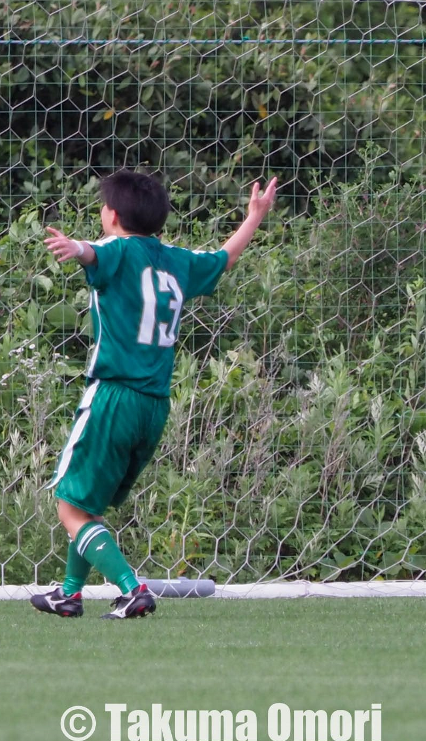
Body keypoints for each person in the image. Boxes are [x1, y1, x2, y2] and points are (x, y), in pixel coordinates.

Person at [33, 169, 278, 619]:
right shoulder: (177, 260)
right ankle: (69, 593)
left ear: (111, 215)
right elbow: (223, 259)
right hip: (154, 405)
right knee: (88, 503)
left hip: (113, 396)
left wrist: (76, 248)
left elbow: (95, 252)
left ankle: (132, 589)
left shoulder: (118, 249)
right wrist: (254, 217)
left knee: (69, 507)